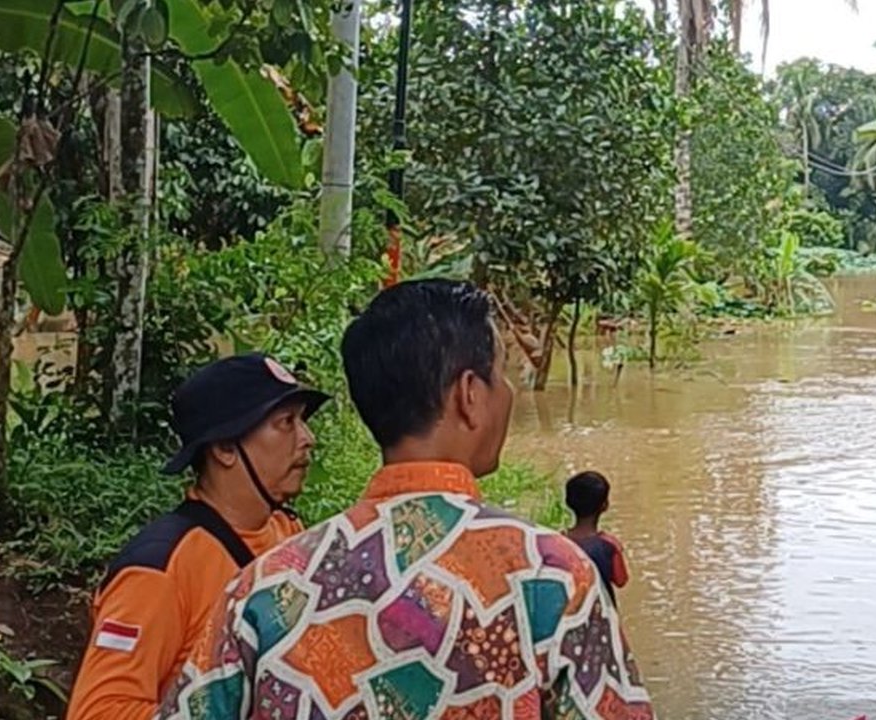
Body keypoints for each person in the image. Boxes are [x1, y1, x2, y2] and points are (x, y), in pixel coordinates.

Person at [156, 280, 653, 720]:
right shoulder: (550, 577)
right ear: (469, 394)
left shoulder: (264, 589)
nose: (509, 393)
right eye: (501, 375)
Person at [67, 354, 329, 720]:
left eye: (302, 420)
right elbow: (96, 712)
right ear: (224, 448)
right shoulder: (159, 570)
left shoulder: (287, 531)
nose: (307, 439)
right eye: (286, 422)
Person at [564, 471, 630, 605]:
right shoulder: (610, 545)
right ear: (605, 505)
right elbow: (621, 580)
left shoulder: (557, 540)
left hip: (569, 614)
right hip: (602, 614)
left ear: (568, 502)